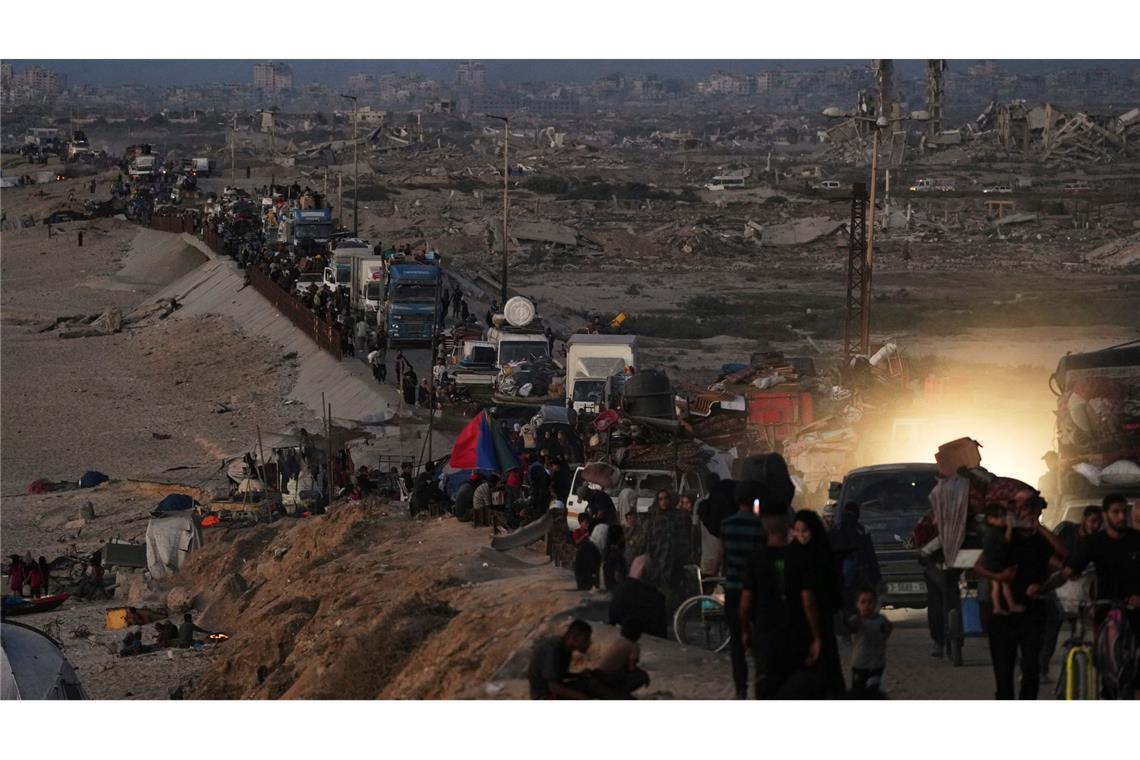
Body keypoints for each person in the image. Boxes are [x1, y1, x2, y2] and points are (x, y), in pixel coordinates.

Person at [1041, 493, 1140, 698]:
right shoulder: (1094, 543)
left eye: (1124, 511)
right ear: (1106, 515)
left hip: (1135, 609)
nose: (1122, 516)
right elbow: (1068, 572)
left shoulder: (1136, 539)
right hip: (1106, 608)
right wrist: (1043, 588)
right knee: (1105, 659)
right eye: (1116, 512)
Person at [973, 495, 1067, 700]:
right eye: (1023, 510)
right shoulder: (1003, 535)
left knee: (1031, 668)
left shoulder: (1041, 540)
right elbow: (979, 566)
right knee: (1003, 673)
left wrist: (1043, 586)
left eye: (1031, 511)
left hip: (1032, 612)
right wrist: (998, 576)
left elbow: (1063, 556)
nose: (1026, 514)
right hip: (1002, 614)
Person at [740, 493, 826, 699]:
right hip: (797, 637)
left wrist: (745, 631)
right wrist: (817, 636)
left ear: (763, 523)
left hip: (766, 639)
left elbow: (745, 604)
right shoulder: (800, 557)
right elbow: (808, 602)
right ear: (788, 521)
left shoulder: (755, 559)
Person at [717, 480, 768, 699]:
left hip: (733, 589)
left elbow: (720, 558)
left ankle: (740, 690)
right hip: (756, 591)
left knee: (737, 642)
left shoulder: (727, 525)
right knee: (758, 641)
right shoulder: (760, 525)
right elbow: (767, 557)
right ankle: (761, 686)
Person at [1040, 504, 1102, 680]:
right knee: (1050, 633)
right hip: (1057, 590)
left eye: (1099, 523)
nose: (1096, 526)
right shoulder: (1066, 531)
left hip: (1081, 594)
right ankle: (1042, 669)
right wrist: (1065, 569)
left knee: (1080, 635)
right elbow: (1047, 553)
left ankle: (1075, 676)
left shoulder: (1097, 542)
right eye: (1093, 521)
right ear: (1084, 519)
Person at [792, 509, 846, 698]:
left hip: (821, 619)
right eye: (797, 531)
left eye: (804, 531)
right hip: (802, 624)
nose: (800, 535)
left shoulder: (821, 555)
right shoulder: (794, 555)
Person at [526, 619, 593, 699]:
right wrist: (582, 697)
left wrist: (579, 675)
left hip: (552, 692)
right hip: (543, 696)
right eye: (586, 640)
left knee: (591, 682)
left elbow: (558, 675)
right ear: (574, 638)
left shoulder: (566, 647)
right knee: (589, 688)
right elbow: (554, 687)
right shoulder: (553, 648)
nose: (589, 643)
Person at [846, 587, 893, 699]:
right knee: (858, 692)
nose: (867, 605)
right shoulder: (856, 620)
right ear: (857, 604)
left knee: (872, 691)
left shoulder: (882, 620)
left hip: (876, 664)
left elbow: (887, 630)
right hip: (859, 664)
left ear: (876, 604)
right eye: (863, 602)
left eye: (870, 602)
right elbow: (850, 628)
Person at [609, 555, 668, 638]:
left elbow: (613, 620)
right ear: (644, 570)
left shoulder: (618, 590)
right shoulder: (654, 597)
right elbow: (660, 631)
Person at [981, 503, 1023, 615]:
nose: (1003, 519)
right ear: (991, 519)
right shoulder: (996, 531)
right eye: (1000, 517)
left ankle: (997, 607)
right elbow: (1006, 542)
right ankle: (1010, 605)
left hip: (990, 564)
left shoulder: (989, 532)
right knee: (1005, 584)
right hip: (996, 564)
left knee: (996, 586)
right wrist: (1009, 527)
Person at [593, 618, 651, 698]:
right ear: (640, 634)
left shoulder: (619, 641)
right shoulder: (633, 646)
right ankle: (619, 693)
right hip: (607, 679)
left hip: (597, 675)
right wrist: (644, 675)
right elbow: (632, 668)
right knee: (641, 676)